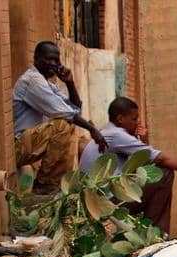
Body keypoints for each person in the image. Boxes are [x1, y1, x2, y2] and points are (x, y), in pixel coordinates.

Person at [79, 97, 177, 234]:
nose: (137, 123)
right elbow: (160, 159)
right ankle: (156, 233)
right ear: (120, 119)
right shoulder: (117, 135)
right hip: (106, 203)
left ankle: (147, 232)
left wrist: (143, 140)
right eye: (134, 119)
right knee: (164, 173)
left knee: (152, 175)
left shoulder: (106, 132)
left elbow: (144, 163)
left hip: (94, 203)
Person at [13, 41, 107, 193]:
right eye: (48, 59)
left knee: (68, 125)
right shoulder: (33, 80)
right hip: (17, 147)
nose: (53, 63)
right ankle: (45, 184)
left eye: (56, 60)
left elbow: (74, 109)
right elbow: (66, 113)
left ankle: (54, 184)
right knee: (62, 125)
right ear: (36, 59)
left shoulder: (47, 83)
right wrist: (92, 129)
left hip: (30, 145)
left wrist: (70, 83)